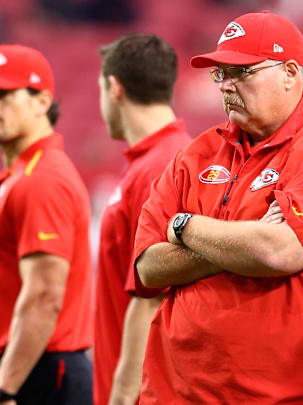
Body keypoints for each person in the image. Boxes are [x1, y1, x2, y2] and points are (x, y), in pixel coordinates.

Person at [132, 11, 303, 404]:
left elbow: (277, 251)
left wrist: (184, 227)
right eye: (221, 74)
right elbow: (148, 266)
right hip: (178, 393)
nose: (227, 86)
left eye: (243, 72)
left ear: (289, 73)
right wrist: (240, 242)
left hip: (291, 394)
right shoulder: (196, 154)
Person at [93, 34, 191, 405]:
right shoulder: (159, 159)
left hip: (142, 393)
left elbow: (150, 296)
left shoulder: (160, 166)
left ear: (114, 87)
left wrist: (120, 397)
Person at [0, 45, 92, 404]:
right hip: (31, 364)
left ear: (42, 102)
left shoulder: (43, 178)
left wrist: (5, 387)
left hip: (40, 371)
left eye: (5, 95)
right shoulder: (19, 175)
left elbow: (44, 296)